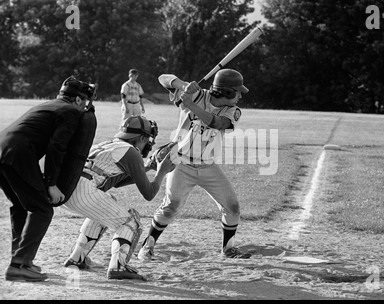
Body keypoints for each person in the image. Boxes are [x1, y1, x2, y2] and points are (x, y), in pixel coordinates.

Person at [138, 69, 252, 261]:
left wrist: (190, 105)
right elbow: (163, 79)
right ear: (227, 92)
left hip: (208, 166)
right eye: (237, 91)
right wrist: (183, 86)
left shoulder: (233, 111)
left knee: (232, 207)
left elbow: (217, 123)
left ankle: (228, 249)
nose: (240, 95)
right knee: (171, 207)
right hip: (179, 163)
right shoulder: (197, 94)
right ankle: (147, 246)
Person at [0, 76, 97, 282]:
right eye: (85, 102)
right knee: (43, 209)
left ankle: (20, 259)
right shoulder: (70, 112)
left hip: (3, 150)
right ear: (78, 100)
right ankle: (19, 265)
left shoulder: (50, 105)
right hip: (19, 153)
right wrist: (51, 184)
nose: (85, 107)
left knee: (21, 205)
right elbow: (56, 148)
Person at [63, 116, 176, 281]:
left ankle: (77, 258)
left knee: (107, 204)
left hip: (69, 188)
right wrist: (161, 172)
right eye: (148, 140)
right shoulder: (131, 153)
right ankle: (118, 267)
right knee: (130, 222)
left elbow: (115, 182)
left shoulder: (109, 145)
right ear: (142, 138)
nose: (149, 145)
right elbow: (149, 193)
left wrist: (147, 167)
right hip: (84, 190)